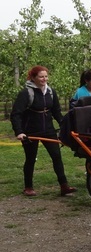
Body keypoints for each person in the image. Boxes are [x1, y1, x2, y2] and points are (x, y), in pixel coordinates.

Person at [10, 66, 77, 197]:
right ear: (33, 77)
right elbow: (16, 114)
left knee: (56, 156)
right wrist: (19, 131)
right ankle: (28, 187)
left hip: (48, 130)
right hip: (30, 131)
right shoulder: (26, 93)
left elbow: (57, 112)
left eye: (46, 76)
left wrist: (65, 126)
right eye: (41, 76)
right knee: (30, 158)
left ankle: (64, 186)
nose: (44, 79)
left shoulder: (51, 91)